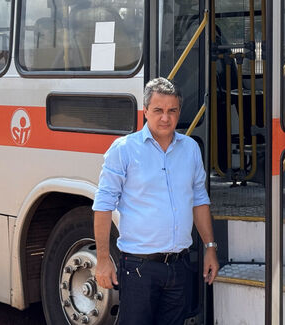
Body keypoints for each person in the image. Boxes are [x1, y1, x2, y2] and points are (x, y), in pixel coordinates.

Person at [93, 77, 219, 325]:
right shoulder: (123, 149)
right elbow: (103, 205)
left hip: (179, 266)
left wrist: (210, 248)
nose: (165, 118)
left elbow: (199, 201)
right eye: (158, 110)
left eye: (172, 111)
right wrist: (103, 259)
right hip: (139, 268)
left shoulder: (191, 148)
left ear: (179, 112)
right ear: (145, 111)